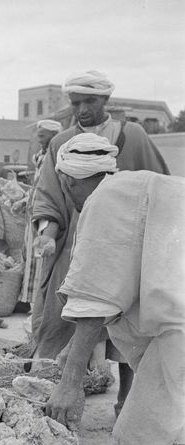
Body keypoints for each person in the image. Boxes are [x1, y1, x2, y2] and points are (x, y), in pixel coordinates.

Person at [45, 133, 184, 445]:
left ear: (69, 182)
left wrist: (70, 383)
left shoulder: (102, 202)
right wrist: (74, 347)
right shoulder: (140, 184)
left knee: (169, 404)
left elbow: (96, 295)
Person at [31, 70, 170, 360]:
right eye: (76, 102)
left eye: (90, 101)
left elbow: (159, 190)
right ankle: (49, 387)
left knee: (130, 330)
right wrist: (48, 235)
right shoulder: (60, 144)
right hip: (75, 247)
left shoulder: (133, 137)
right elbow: (49, 197)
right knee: (62, 320)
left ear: (106, 99)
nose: (82, 110)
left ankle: (126, 402)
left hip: (125, 249)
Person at [18, 119, 62, 306]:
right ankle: (29, 299)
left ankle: (39, 300)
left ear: (54, 137)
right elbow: (37, 186)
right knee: (30, 254)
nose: (39, 139)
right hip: (34, 211)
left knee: (40, 254)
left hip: (46, 213)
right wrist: (25, 200)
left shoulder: (56, 158)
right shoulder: (40, 157)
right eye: (38, 135)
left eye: (42, 136)